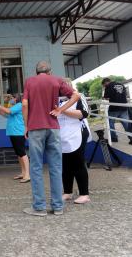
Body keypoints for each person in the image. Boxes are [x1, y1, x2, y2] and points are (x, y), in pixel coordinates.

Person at [22, 61, 80, 216]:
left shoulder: (30, 81)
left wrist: (26, 126)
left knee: (36, 167)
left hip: (35, 128)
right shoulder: (57, 79)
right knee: (55, 167)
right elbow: (76, 95)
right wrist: (60, 110)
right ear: (49, 71)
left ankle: (39, 207)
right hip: (53, 128)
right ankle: (58, 207)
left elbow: (25, 104)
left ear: (36, 72)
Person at [59, 78, 91, 204]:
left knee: (78, 163)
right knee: (66, 165)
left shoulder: (79, 97)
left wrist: (62, 110)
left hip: (78, 133)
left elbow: (83, 113)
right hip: (63, 136)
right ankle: (68, 192)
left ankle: (84, 194)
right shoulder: (58, 100)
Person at [0, 94, 30, 183]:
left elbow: (8, 111)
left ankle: (27, 175)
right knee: (19, 154)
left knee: (22, 153)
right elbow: (3, 114)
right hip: (13, 132)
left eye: (12, 98)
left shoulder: (19, 105)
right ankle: (23, 173)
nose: (11, 100)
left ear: (17, 99)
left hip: (18, 132)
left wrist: (0, 105)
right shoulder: (14, 107)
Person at [102, 78, 132, 145]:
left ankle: (114, 138)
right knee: (127, 124)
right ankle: (131, 138)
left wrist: (107, 95)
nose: (104, 86)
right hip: (124, 107)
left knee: (110, 123)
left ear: (106, 82)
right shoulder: (121, 84)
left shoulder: (108, 86)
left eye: (104, 85)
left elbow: (106, 97)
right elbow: (124, 95)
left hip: (114, 109)